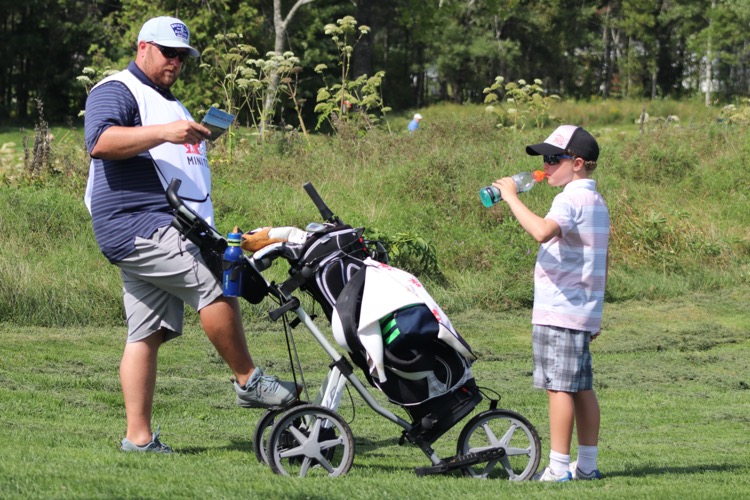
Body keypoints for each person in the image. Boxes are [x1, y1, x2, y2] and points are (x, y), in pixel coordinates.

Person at [83, 16, 299, 454]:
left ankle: (138, 440)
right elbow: (100, 141)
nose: (176, 63)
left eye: (183, 57)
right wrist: (167, 132)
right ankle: (248, 381)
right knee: (217, 284)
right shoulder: (117, 88)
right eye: (168, 53)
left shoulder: (172, 105)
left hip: (158, 225)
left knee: (146, 333)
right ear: (143, 47)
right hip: (139, 223)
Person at [492, 125, 609, 482]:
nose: (545, 166)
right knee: (582, 387)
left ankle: (558, 467)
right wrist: (594, 313)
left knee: (558, 387)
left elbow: (542, 231)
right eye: (545, 159)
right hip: (580, 309)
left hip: (560, 309)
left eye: (553, 159)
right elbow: (600, 260)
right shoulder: (597, 202)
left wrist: (511, 197)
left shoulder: (569, 200)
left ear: (577, 163)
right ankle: (586, 465)